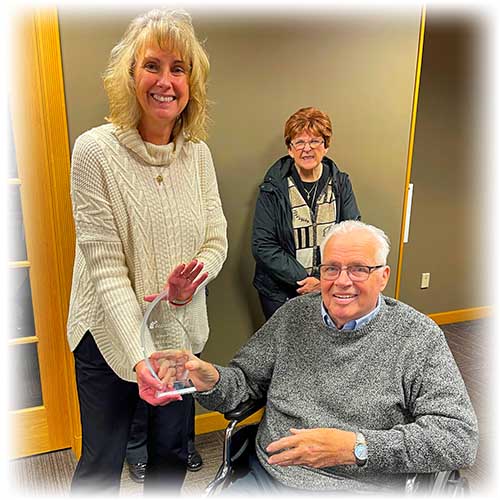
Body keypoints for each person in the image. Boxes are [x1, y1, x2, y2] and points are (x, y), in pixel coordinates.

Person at [166, 220, 478, 493]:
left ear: (383, 277)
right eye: (331, 268)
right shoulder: (293, 317)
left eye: (358, 269)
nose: (342, 281)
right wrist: (211, 381)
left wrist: (357, 447)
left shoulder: (418, 336)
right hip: (270, 476)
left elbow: (458, 439)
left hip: (359, 486)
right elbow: (243, 384)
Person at [67, 8, 227, 494]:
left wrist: (191, 282)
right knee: (102, 461)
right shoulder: (94, 152)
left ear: (191, 83)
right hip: (106, 334)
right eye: (152, 66)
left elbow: (215, 238)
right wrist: (139, 358)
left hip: (177, 329)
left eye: (178, 69)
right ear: (130, 75)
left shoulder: (198, 154)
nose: (165, 81)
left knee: (171, 454)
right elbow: (106, 271)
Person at [252, 107, 361, 320]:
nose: (307, 149)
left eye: (315, 141)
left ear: (326, 146)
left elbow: (352, 235)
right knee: (286, 351)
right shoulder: (272, 188)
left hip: (330, 288)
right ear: (290, 149)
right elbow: (263, 245)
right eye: (299, 142)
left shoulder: (340, 183)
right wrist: (305, 280)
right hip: (279, 292)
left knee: (325, 348)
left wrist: (323, 280)